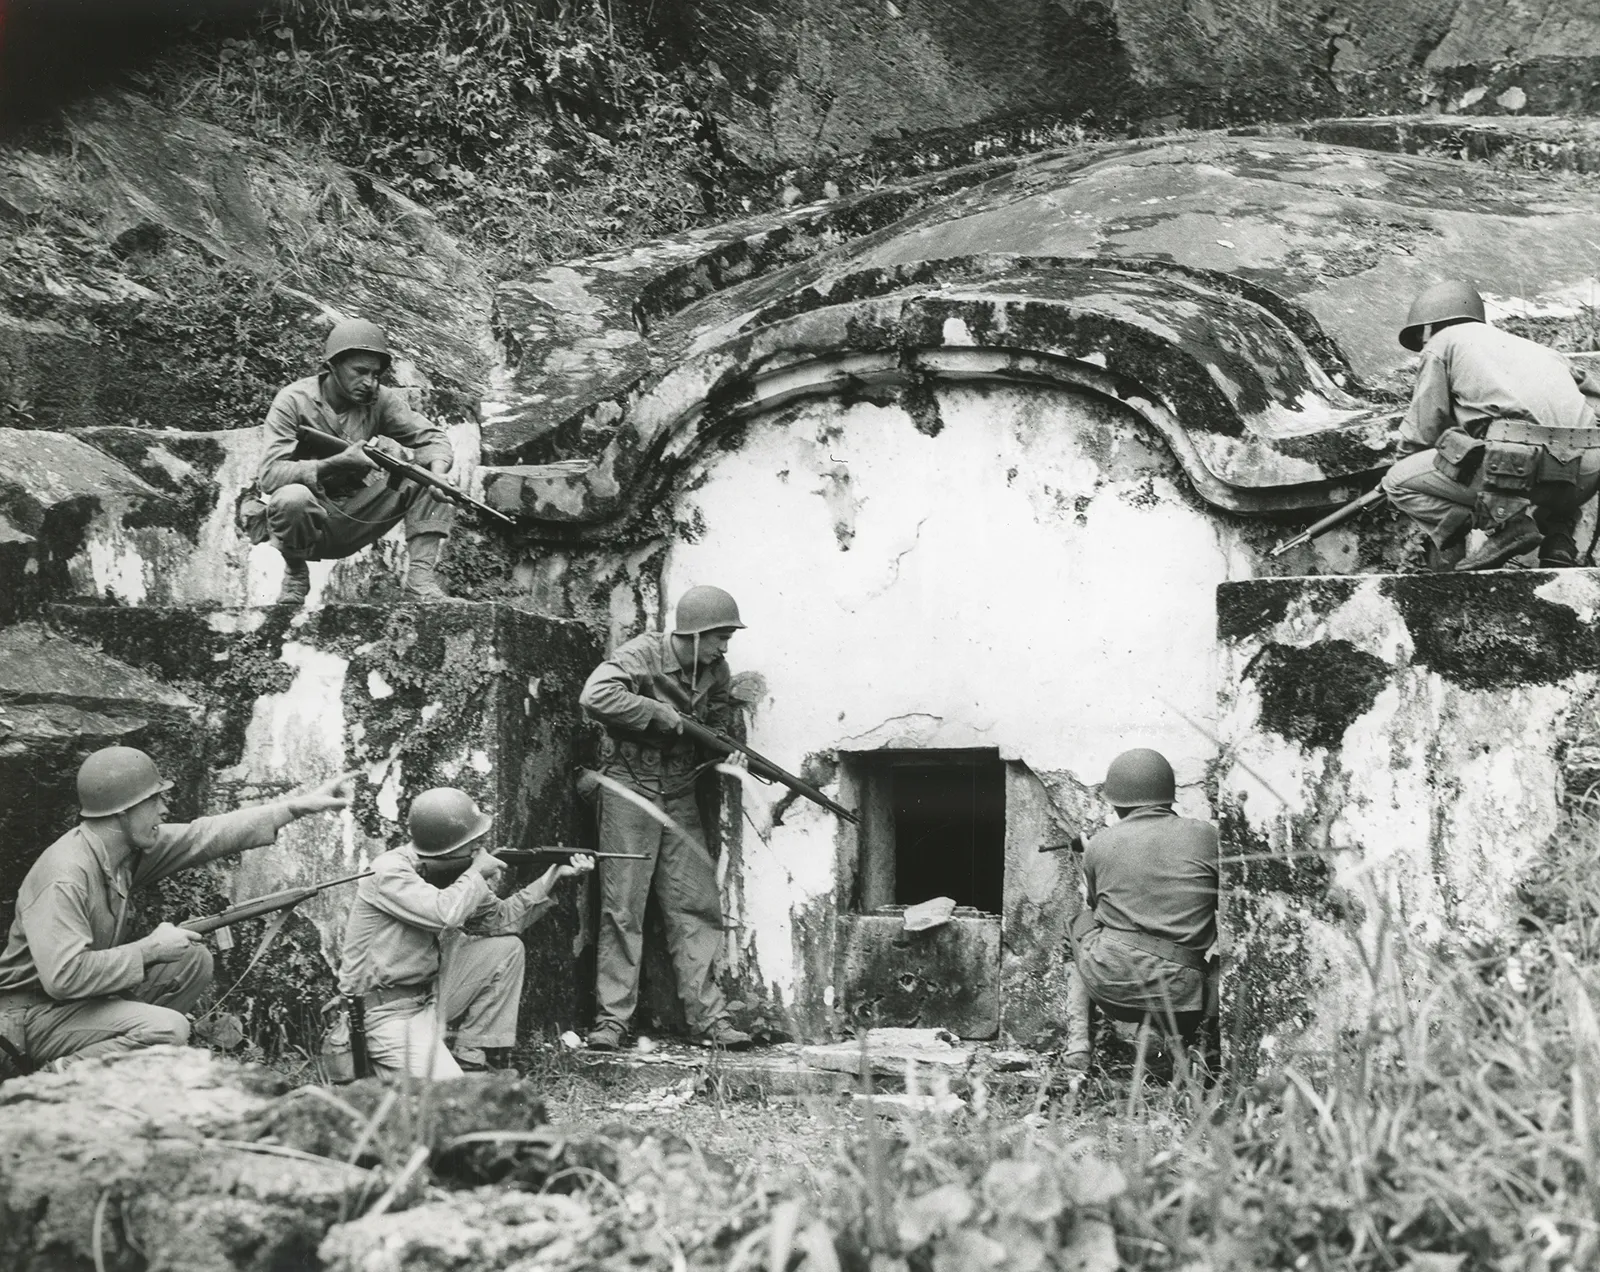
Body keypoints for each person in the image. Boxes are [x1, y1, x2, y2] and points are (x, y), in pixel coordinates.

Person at [0, 747, 354, 1072]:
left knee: (191, 961)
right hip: (28, 1019)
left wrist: (295, 807)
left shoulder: (119, 853)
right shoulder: (64, 876)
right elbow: (64, 978)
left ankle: (126, 1064)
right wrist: (150, 950)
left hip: (69, 1005)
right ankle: (41, 1086)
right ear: (123, 811)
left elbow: (202, 837)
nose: (164, 809)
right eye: (155, 801)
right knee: (168, 1029)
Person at [578, 584, 752, 1052]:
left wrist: (728, 747)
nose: (724, 647)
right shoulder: (642, 654)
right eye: (719, 637)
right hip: (628, 788)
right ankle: (612, 1021)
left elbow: (713, 723)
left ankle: (708, 1019)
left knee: (696, 905)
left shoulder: (716, 671)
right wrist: (656, 712)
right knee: (623, 908)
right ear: (694, 636)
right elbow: (595, 696)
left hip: (679, 790)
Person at [337, 787, 593, 1078]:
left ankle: (472, 1059)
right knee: (453, 1101)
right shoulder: (389, 871)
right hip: (384, 1014)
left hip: (427, 999)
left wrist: (552, 877)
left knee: (506, 949)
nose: (479, 848)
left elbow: (501, 919)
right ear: (445, 846)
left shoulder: (460, 875)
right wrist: (476, 874)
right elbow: (444, 914)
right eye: (472, 842)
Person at [1380, 280, 1600, 572]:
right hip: (1587, 475)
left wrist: (1401, 469)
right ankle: (1559, 542)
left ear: (1430, 327)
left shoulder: (1442, 343)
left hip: (1521, 467)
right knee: (1562, 451)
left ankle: (1508, 527)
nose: (1422, 343)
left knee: (1398, 481)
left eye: (1421, 336)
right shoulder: (1538, 350)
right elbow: (1593, 400)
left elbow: (1423, 429)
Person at [245, 318, 460, 606]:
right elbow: (270, 476)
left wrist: (438, 474)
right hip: (308, 527)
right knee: (291, 498)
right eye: (359, 372)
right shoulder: (293, 401)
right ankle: (295, 572)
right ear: (332, 366)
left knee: (427, 478)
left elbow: (432, 438)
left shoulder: (379, 400)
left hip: (356, 515)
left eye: (375, 374)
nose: (369, 382)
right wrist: (336, 463)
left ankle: (420, 582)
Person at [1060, 748, 1218, 1073]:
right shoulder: (1207, 836)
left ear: (1116, 803)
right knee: (1225, 961)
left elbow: (1098, 913)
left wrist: (1095, 854)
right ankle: (1199, 1044)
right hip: (1183, 989)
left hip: (1111, 981)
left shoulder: (1101, 844)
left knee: (1076, 926)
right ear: (1168, 796)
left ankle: (1078, 1047)